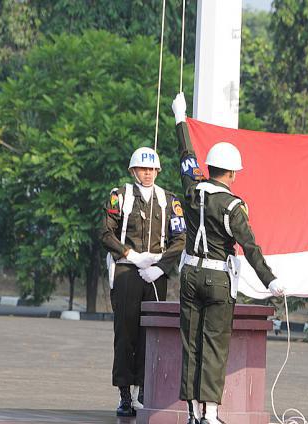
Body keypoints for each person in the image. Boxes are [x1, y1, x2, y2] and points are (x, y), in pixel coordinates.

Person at [172, 93, 284, 424]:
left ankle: (191, 412)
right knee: (214, 346)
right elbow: (250, 247)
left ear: (210, 168)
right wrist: (270, 280)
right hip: (219, 279)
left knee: (190, 343)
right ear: (232, 173)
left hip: (190, 275)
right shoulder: (234, 206)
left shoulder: (192, 189)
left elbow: (185, 156)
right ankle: (210, 413)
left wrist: (181, 120)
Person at [101, 147, 186, 417]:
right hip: (127, 271)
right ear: (133, 170)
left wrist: (160, 268)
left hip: (154, 276)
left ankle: (143, 392)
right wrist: (130, 254)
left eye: (151, 169)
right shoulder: (120, 196)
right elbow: (105, 232)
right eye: (142, 169)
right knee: (125, 333)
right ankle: (125, 395)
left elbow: (180, 239)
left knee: (150, 335)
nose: (147, 174)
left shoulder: (168, 199)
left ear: (158, 171)